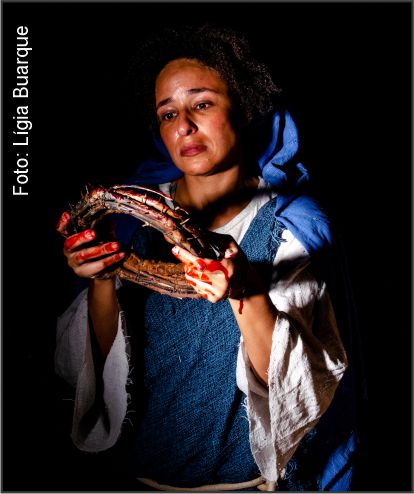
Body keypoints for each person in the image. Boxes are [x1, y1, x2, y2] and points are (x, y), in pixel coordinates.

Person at [55, 24, 364, 491]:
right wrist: (101, 276)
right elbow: (103, 368)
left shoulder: (290, 226)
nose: (183, 126)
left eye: (201, 104)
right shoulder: (132, 224)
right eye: (168, 113)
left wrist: (245, 292)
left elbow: (296, 389)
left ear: (244, 107)